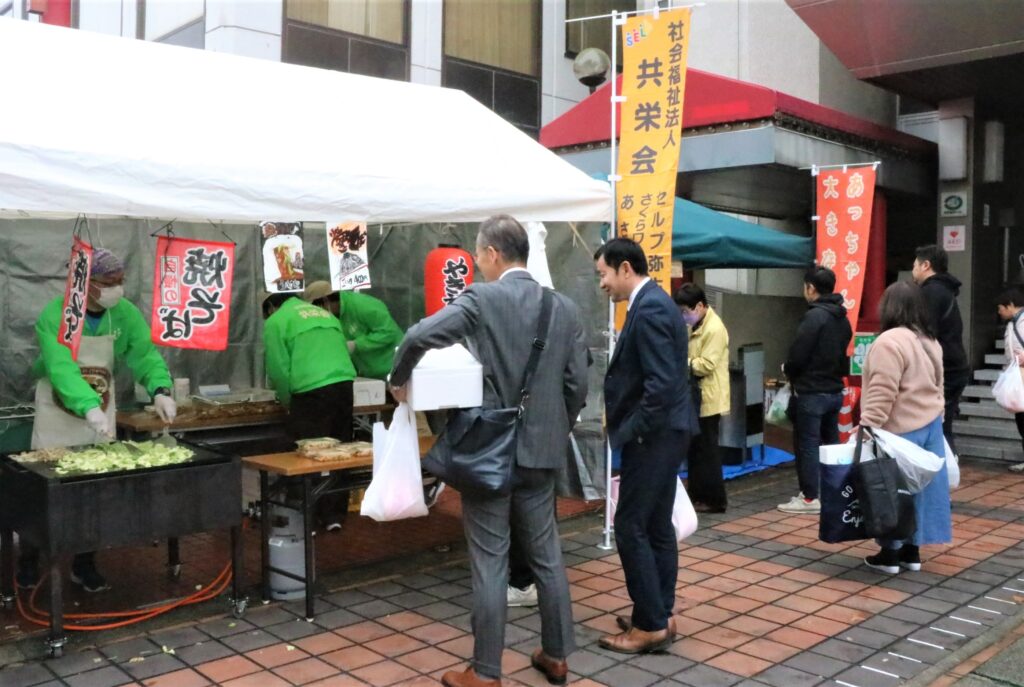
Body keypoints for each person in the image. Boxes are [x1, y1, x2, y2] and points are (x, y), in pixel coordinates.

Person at [389, 215, 588, 687]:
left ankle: (485, 671)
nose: (477, 264)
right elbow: (577, 384)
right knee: (547, 557)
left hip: (488, 451)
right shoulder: (563, 307)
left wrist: (399, 380)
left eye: (478, 255)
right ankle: (557, 656)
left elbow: (420, 335)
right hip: (542, 451)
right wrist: (552, 426)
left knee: (490, 560)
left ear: (494, 254)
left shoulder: (482, 298)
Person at [21, 248, 176, 592]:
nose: (117, 289)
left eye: (121, 282)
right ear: (86, 284)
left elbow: (144, 354)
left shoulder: (124, 314)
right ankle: (29, 559)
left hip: (100, 409)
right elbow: (61, 368)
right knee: (43, 488)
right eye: (110, 283)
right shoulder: (56, 315)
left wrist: (160, 389)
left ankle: (84, 563)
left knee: (93, 491)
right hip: (57, 412)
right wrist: (87, 406)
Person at [595, 238, 699, 654]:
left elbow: (661, 384)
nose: (601, 283)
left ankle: (651, 624)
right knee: (656, 523)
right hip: (664, 432)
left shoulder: (651, 306)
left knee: (630, 525)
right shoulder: (653, 302)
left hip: (654, 435)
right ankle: (657, 610)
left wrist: (633, 430)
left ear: (624, 268)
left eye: (603, 273)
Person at [861, 281, 951, 573]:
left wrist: (867, 425)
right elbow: (939, 385)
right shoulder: (930, 340)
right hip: (931, 424)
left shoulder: (889, 342)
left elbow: (883, 391)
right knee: (922, 490)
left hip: (899, 428)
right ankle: (912, 552)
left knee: (891, 491)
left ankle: (889, 554)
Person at [263, 292, 357, 531]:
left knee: (307, 454)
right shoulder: (326, 315)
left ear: (271, 307)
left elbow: (279, 369)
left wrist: (286, 401)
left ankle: (307, 519)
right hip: (344, 385)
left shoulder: (276, 321)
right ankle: (334, 516)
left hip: (310, 391)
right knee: (340, 450)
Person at [778, 266, 852, 514]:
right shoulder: (842, 317)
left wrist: (787, 369)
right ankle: (834, 492)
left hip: (811, 391)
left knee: (807, 444)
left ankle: (810, 497)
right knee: (831, 443)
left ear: (811, 288)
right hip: (834, 389)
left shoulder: (814, 317)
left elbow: (798, 355)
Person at [674, 283, 730, 513]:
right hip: (695, 396)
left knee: (707, 450)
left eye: (686, 311)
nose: (684, 316)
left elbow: (706, 365)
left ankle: (715, 500)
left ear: (699, 306)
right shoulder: (696, 324)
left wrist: (682, 362)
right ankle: (698, 496)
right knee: (696, 450)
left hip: (709, 397)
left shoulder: (714, 329)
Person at [912, 245, 970, 452]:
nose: (913, 271)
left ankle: (944, 469)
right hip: (954, 366)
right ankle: (947, 466)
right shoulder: (944, 290)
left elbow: (924, 333)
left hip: (945, 369)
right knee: (943, 423)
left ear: (926, 265)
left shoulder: (931, 292)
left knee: (938, 424)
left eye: (915, 266)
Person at [302, 281, 404, 381]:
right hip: (369, 373)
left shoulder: (363, 305)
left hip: (395, 368)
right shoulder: (331, 317)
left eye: (316, 308)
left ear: (325, 301)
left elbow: (389, 331)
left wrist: (356, 345)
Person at [996, 288, 1024, 473]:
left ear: (1010, 305)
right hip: (1018, 377)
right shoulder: (1011, 323)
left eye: (1000, 308)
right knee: (1021, 419)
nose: (999, 312)